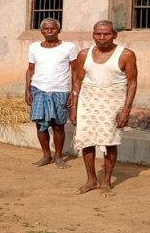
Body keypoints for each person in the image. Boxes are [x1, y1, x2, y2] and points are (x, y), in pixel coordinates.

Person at [69, 20, 138, 195]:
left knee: (110, 141)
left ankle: (106, 181)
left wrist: (126, 110)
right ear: (93, 35)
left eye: (106, 34)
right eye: (98, 34)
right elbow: (78, 81)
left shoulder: (126, 55)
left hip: (113, 104)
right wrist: (74, 107)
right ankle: (91, 180)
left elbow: (132, 83)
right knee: (86, 140)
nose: (101, 37)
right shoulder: (84, 54)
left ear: (114, 35)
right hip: (88, 102)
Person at [25, 18, 79, 168]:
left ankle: (58, 156)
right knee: (40, 124)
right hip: (39, 89)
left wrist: (73, 93)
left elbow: (75, 71)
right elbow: (30, 70)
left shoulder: (69, 47)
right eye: (46, 29)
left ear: (59, 30)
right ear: (41, 31)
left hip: (60, 90)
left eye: (53, 28)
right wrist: (27, 89)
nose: (49, 31)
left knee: (58, 125)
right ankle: (46, 155)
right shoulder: (34, 47)